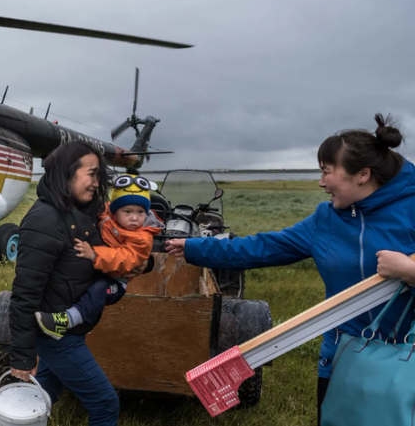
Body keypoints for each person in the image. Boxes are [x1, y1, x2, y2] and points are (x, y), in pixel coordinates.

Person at [165, 114, 415, 425]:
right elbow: (263, 247)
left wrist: (408, 271)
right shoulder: (326, 219)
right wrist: (192, 248)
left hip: (408, 357)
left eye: (326, 172)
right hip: (344, 355)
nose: (321, 182)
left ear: (362, 174)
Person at [9, 141, 148, 426]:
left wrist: (147, 262)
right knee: (105, 403)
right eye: (92, 174)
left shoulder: (85, 212)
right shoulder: (43, 221)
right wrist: (22, 357)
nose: (97, 183)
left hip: (70, 328)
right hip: (57, 335)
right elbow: (24, 294)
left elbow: (117, 249)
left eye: (100, 176)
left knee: (44, 394)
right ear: (66, 173)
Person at [35, 173, 162, 339]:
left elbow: (123, 258)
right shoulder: (109, 218)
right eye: (128, 211)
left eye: (140, 212)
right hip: (99, 270)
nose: (134, 218)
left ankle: (67, 320)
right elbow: (100, 212)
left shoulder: (142, 238)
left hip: (116, 281)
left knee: (99, 290)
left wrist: (94, 254)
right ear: (115, 212)